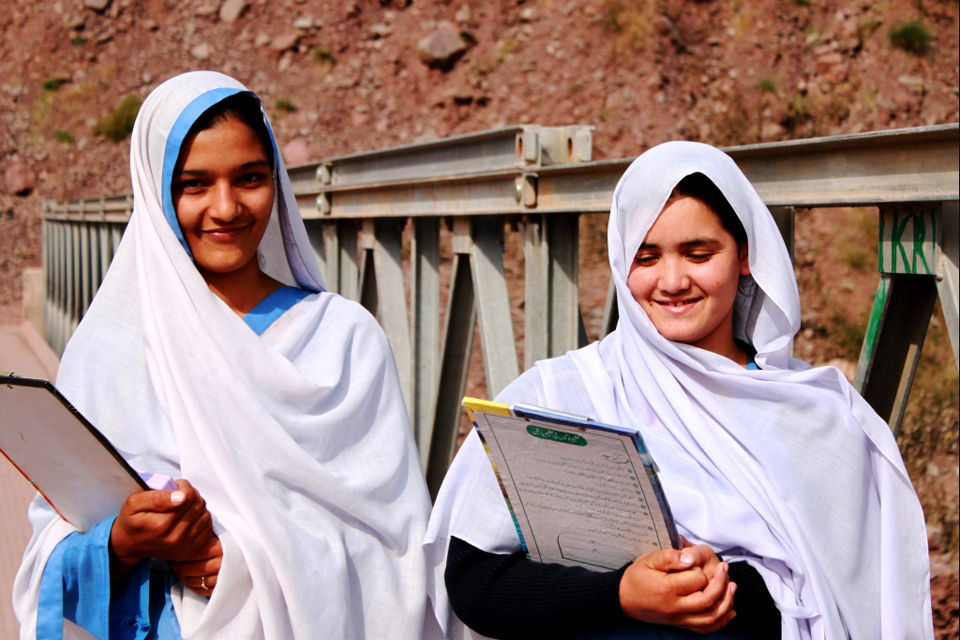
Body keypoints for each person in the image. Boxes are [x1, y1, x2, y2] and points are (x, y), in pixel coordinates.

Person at [423, 141, 934, 639]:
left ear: (745, 254)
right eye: (646, 258)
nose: (671, 281)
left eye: (697, 253)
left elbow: (849, 602)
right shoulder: (558, 395)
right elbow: (472, 580)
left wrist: (723, 589)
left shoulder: (814, 418)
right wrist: (619, 593)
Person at [14, 71, 433, 640]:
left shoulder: (344, 339)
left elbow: (400, 554)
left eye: (250, 178)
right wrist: (120, 543)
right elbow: (49, 558)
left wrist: (243, 565)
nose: (227, 207)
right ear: (155, 191)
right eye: (193, 184)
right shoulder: (112, 349)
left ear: (277, 183)